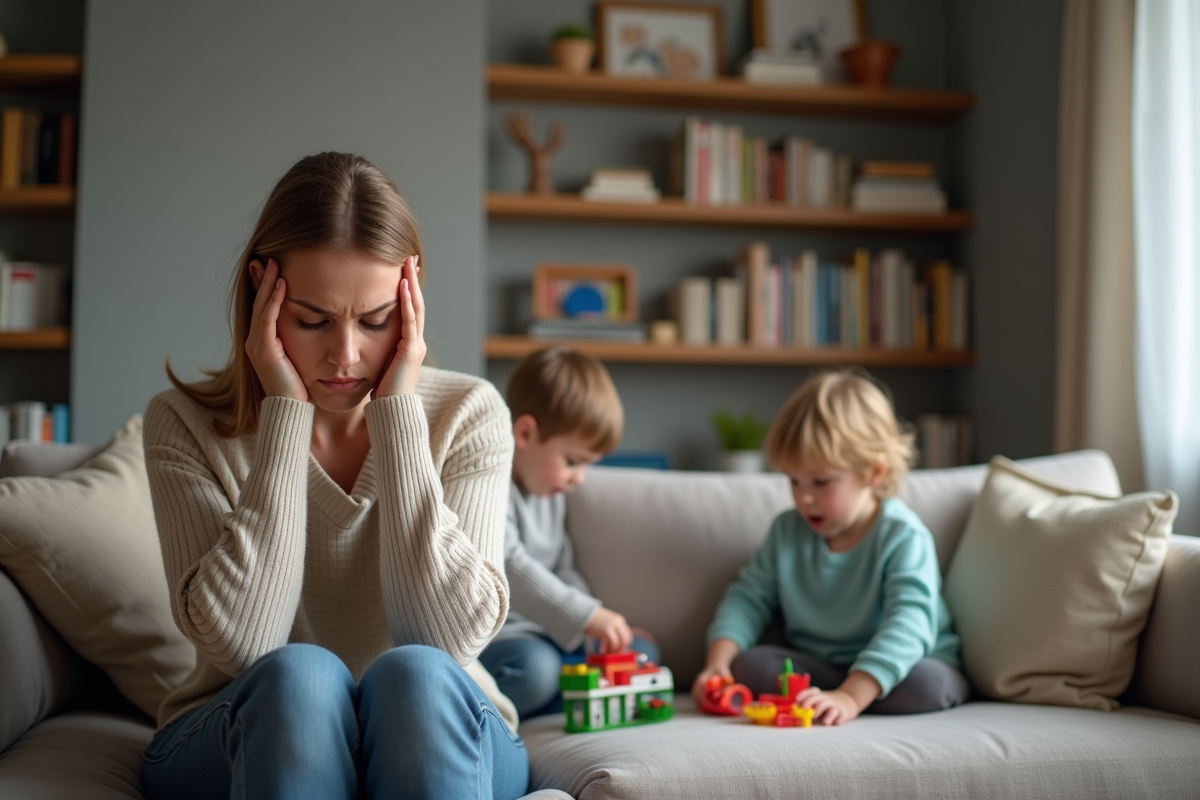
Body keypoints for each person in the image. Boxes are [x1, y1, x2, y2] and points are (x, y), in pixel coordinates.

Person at [139, 152, 528, 800]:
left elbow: (451, 641)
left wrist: (399, 414)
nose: (345, 357)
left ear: (411, 297)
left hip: (440, 723)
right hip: (245, 724)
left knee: (417, 679)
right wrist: (285, 414)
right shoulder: (181, 424)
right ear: (263, 290)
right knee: (299, 679)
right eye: (313, 320)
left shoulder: (471, 413)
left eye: (375, 321)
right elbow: (243, 645)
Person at [691, 368, 968, 726]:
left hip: (904, 666)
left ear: (873, 472)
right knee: (750, 665)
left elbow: (910, 625)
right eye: (794, 480)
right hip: (819, 668)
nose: (804, 497)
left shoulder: (902, 535)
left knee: (928, 683)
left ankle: (856, 694)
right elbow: (748, 598)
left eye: (821, 482)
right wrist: (718, 663)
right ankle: (828, 698)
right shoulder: (786, 531)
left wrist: (851, 696)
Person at [479, 345, 660, 719]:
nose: (579, 478)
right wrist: (588, 617)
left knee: (641, 653)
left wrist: (598, 629)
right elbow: (508, 564)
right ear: (525, 433)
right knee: (537, 671)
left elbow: (562, 567)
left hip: (557, 637)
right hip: (510, 640)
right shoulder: (489, 487)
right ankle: (572, 697)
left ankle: (583, 696)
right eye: (573, 462)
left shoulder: (552, 495)